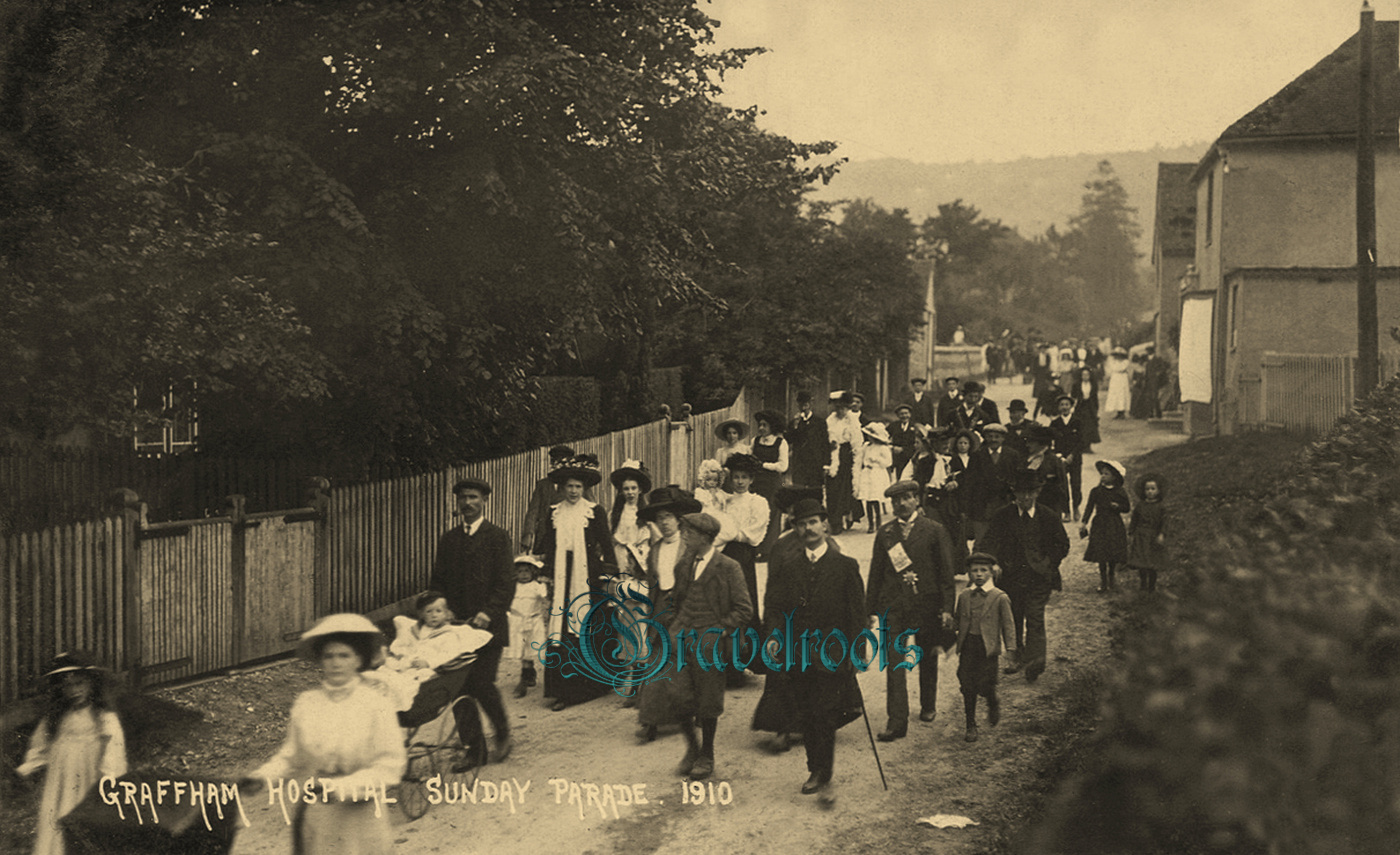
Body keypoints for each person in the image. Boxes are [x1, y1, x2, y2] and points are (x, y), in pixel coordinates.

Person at [249, 615, 406, 855]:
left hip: (361, 820)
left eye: (344, 656)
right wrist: (262, 777)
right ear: (320, 660)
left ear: (358, 659)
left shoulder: (376, 704)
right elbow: (290, 757)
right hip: (319, 818)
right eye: (329, 656)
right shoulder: (307, 703)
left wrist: (342, 788)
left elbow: (390, 766)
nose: (336, 663)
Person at [763, 499, 864, 801]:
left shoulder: (845, 566)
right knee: (806, 713)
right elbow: (775, 607)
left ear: (825, 525)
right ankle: (814, 766)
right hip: (798, 653)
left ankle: (823, 773)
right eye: (801, 524)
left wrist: (857, 651)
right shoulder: (788, 567)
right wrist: (774, 636)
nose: (807, 528)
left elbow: (857, 614)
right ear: (795, 529)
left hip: (832, 653)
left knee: (826, 714)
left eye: (812, 522)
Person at [428, 477, 517, 759]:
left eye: (473, 497)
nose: (467, 503)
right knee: (458, 688)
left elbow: (506, 583)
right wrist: (441, 610)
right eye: (463, 498)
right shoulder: (449, 539)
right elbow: (438, 581)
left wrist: (487, 613)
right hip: (455, 629)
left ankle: (502, 732)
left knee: (481, 683)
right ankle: (474, 750)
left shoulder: (497, 537)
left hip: (488, 629)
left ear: (484, 501)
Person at [664, 512, 753, 780]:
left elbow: (744, 609)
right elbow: (677, 600)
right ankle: (692, 747)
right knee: (677, 695)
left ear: (705, 537)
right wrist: (673, 626)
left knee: (708, 701)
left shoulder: (729, 567)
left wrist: (720, 631)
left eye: (689, 533)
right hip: (681, 639)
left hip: (710, 644)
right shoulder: (684, 564)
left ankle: (707, 754)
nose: (684, 536)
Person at [866, 480, 958, 740]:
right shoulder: (885, 533)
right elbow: (875, 574)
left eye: (906, 498)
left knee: (927, 657)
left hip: (926, 606)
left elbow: (946, 574)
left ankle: (928, 704)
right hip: (894, 608)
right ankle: (896, 721)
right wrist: (869, 609)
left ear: (917, 500)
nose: (901, 504)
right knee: (894, 662)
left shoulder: (934, 530)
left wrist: (947, 608)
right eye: (896, 500)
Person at [17, 653, 128, 855]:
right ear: (60, 689)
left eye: (79, 684)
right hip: (60, 780)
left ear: (91, 684)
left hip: (89, 777)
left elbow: (114, 747)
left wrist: (109, 776)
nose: (75, 690)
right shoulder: (56, 717)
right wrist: (29, 766)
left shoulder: (103, 716)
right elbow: (41, 745)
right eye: (68, 686)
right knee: (58, 816)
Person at [534, 454, 617, 711]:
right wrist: (546, 574)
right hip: (562, 575)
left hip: (588, 577)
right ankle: (564, 689)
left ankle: (593, 685)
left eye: (578, 486)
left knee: (589, 626)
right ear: (562, 487)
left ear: (585, 488)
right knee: (562, 630)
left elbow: (606, 545)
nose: (573, 491)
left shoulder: (594, 511)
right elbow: (548, 546)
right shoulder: (554, 512)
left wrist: (609, 574)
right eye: (569, 486)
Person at [976, 469, 1069, 684]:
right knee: (1013, 618)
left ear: (1038, 492)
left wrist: (1048, 564)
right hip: (1010, 578)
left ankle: (1036, 660)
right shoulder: (1003, 515)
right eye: (1021, 493)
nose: (1026, 498)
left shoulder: (1048, 516)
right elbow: (988, 542)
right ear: (1014, 493)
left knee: (1035, 616)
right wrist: (994, 563)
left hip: (1039, 578)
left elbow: (1062, 544)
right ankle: (1016, 655)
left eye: (1031, 492)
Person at [376, 592, 493, 757]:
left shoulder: (449, 634)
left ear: (446, 613)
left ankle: (475, 750)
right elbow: (404, 646)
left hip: (431, 669)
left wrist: (429, 662)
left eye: (438, 611)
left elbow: (447, 654)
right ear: (422, 614)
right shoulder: (416, 630)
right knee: (386, 675)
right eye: (429, 611)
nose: (434, 615)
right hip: (410, 665)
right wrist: (402, 656)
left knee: (410, 683)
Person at [634, 485, 704, 742]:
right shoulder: (655, 550)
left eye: (668, 517)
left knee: (688, 663)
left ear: (678, 519)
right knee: (656, 662)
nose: (664, 523)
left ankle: (697, 711)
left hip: (686, 609)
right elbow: (653, 585)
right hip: (660, 609)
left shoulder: (690, 548)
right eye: (659, 518)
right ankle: (651, 721)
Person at [954, 553, 1017, 743]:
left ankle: (992, 700)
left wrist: (1011, 649)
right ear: (968, 573)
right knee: (967, 685)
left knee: (985, 684)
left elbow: (1008, 625)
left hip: (987, 648)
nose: (979, 574)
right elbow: (958, 621)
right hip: (968, 645)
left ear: (992, 572)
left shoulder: (1000, 597)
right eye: (975, 571)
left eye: (984, 570)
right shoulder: (965, 596)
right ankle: (970, 724)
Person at [1080, 459, 1131, 593]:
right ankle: (1103, 581)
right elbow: (1089, 507)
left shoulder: (1119, 492)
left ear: (1114, 477)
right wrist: (1084, 522)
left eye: (1106, 474)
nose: (1103, 476)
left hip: (1114, 524)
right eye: (1102, 473)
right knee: (1101, 553)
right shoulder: (1096, 491)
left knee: (1112, 551)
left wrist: (1118, 506)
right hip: (1100, 524)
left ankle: (1111, 578)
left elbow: (1127, 508)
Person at [521, 445, 580, 552]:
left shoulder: (576, 486)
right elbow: (533, 511)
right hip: (544, 537)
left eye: (562, 462)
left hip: (569, 535)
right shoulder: (542, 485)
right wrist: (528, 534)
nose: (558, 466)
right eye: (555, 462)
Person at [509, 556, 551, 698]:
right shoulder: (513, 587)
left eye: (527, 571)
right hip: (517, 621)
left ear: (533, 572)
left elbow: (545, 598)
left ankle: (524, 678)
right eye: (520, 571)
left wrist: (546, 589)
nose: (524, 575)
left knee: (529, 649)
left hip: (533, 621)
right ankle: (529, 673)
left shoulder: (537, 586)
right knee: (521, 649)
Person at [751, 410, 789, 555]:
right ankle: (756, 548)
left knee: (772, 514)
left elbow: (783, 466)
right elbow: (749, 459)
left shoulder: (781, 443)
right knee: (756, 514)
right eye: (760, 425)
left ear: (772, 426)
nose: (761, 428)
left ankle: (769, 550)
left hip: (772, 483)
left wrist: (763, 465)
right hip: (756, 482)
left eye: (764, 425)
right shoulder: (755, 441)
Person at [824, 391, 862, 534]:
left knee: (845, 489)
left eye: (843, 408)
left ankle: (846, 516)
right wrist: (830, 444)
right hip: (833, 455)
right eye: (838, 408)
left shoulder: (852, 420)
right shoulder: (830, 420)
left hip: (847, 457)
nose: (840, 411)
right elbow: (825, 436)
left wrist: (855, 460)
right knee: (832, 489)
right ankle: (834, 521)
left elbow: (857, 443)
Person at [608, 460, 652, 576]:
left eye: (633, 488)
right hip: (621, 557)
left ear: (640, 490)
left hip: (641, 557)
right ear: (621, 491)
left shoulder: (646, 513)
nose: (630, 492)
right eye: (626, 489)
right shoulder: (615, 514)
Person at [1127, 474, 1169, 592]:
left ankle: (1151, 586)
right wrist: (1131, 532)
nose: (1150, 492)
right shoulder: (1140, 505)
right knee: (1142, 563)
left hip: (1153, 537)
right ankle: (1143, 584)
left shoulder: (1161, 507)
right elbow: (1134, 519)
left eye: (1153, 489)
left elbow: (1164, 522)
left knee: (1152, 563)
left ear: (1158, 491)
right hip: (1141, 536)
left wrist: (1162, 534)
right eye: (1147, 489)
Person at [1049, 395, 1087, 521]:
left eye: (1067, 404)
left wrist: (1072, 455)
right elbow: (1051, 442)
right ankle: (1066, 511)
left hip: (1075, 459)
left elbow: (1082, 441)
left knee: (1076, 484)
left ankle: (1076, 507)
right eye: (1062, 405)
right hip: (1060, 460)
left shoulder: (1078, 422)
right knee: (1062, 485)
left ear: (1071, 407)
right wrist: (1059, 456)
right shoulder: (1055, 423)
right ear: (1058, 407)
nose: (1064, 407)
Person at [978, 424, 1025, 524]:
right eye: (990, 436)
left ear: (1003, 438)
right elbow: (971, 480)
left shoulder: (1013, 455)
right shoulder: (978, 455)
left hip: (1006, 501)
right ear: (985, 438)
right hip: (984, 503)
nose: (993, 439)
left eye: (997, 437)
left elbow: (1018, 478)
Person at [1023, 424, 1071, 521]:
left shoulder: (1054, 461)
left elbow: (1063, 485)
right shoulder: (1027, 459)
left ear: (1041, 443)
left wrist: (1066, 509)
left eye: (1031, 442)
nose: (1027, 445)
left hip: (1050, 505)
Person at [855, 422, 894, 533]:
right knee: (868, 499)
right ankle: (870, 524)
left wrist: (877, 460)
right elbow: (861, 458)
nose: (869, 438)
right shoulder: (866, 446)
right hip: (867, 473)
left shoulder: (883, 448)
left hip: (877, 473)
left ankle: (878, 522)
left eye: (870, 436)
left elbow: (888, 462)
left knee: (875, 498)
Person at [787, 392, 829, 489]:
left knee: (815, 490)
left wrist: (826, 464)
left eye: (806, 402)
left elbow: (825, 444)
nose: (804, 405)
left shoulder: (820, 422)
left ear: (811, 404)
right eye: (801, 403)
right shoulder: (794, 422)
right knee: (799, 489)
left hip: (815, 463)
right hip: (799, 463)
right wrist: (795, 426)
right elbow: (789, 440)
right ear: (798, 405)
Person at [888, 403, 922, 481]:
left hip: (910, 456)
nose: (904, 416)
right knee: (897, 477)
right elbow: (884, 436)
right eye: (901, 414)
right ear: (898, 416)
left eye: (906, 413)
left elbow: (918, 443)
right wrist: (892, 447)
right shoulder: (893, 426)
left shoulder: (915, 426)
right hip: (897, 457)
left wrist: (903, 449)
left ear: (910, 414)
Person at [1072, 367, 1102, 449]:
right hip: (1080, 406)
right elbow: (1073, 396)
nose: (1085, 376)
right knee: (1080, 425)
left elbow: (1095, 397)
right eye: (1083, 375)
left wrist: (1096, 409)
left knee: (1090, 426)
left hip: (1090, 406)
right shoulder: (1077, 384)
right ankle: (1081, 446)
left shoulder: (1093, 384)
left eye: (1087, 374)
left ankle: (1088, 446)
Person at [1104, 346, 1131, 419]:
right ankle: (1118, 411)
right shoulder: (1113, 362)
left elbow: (1121, 368)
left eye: (1120, 355)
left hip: (1122, 378)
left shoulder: (1125, 362)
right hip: (1115, 378)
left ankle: (1122, 411)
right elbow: (1113, 368)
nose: (1118, 357)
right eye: (1117, 355)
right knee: (1115, 394)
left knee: (1122, 393)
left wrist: (1118, 368)